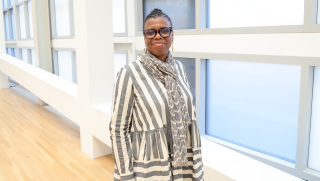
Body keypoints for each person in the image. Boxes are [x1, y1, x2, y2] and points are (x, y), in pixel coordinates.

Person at [109, 8, 204, 181]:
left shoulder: (180, 69)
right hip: (151, 167)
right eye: (151, 32)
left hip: (183, 162)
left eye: (164, 30)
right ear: (144, 37)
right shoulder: (129, 73)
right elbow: (118, 130)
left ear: (172, 35)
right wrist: (126, 176)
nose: (158, 36)